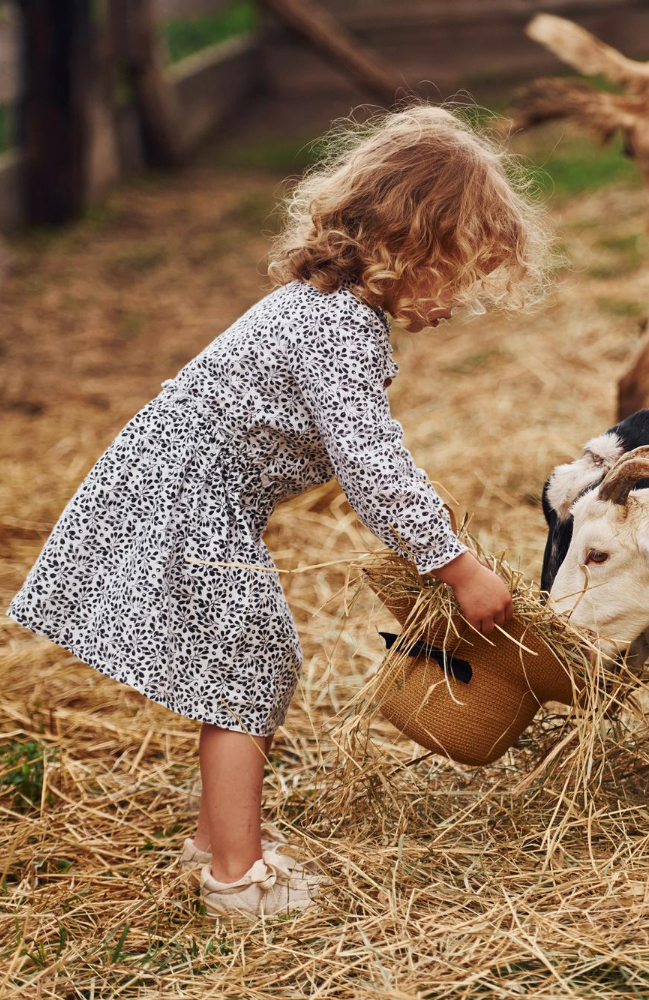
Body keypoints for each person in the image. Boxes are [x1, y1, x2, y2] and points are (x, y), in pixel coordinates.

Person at [6, 104, 551, 917]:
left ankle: (215, 839)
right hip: (186, 502)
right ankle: (234, 877)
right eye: (461, 272)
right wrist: (454, 564)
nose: (462, 299)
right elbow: (373, 467)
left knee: (252, 662)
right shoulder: (337, 328)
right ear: (411, 244)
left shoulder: (329, 310)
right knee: (249, 667)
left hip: (190, 494)